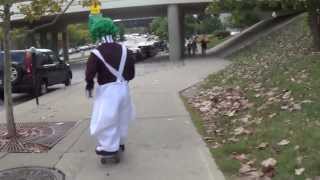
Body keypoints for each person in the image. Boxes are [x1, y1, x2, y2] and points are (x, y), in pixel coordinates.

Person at [85, 15, 135, 157]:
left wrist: (89, 85)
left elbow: (89, 74)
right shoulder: (125, 50)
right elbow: (131, 73)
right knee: (122, 117)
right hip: (124, 88)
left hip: (107, 90)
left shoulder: (96, 53)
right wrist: (123, 82)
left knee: (106, 119)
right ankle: (120, 141)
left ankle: (109, 147)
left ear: (97, 33)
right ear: (112, 31)